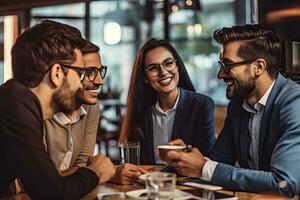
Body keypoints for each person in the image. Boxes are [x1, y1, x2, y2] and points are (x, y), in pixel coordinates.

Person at [167, 24, 300, 197]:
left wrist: (204, 167)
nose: (220, 74)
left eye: (228, 65)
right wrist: (188, 158)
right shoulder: (238, 105)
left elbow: (284, 183)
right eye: (221, 64)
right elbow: (217, 163)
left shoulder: (294, 103)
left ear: (258, 67)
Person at [0, 20, 115, 200]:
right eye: (80, 73)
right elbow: (53, 194)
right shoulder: (16, 104)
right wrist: (96, 172)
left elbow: (44, 185)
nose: (80, 84)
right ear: (57, 73)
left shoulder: (18, 101)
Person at [112, 38, 216, 184]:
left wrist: (186, 153)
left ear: (177, 66)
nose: (163, 72)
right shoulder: (140, 110)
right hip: (147, 187)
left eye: (168, 63)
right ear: (145, 78)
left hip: (188, 187)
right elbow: (133, 163)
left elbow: (209, 160)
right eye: (154, 68)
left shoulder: (202, 105)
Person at [44, 41, 107, 175]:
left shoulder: (91, 107)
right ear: (59, 73)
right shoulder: (41, 110)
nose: (100, 81)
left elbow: (82, 164)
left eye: (100, 71)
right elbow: (38, 179)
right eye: (89, 72)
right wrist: (95, 172)